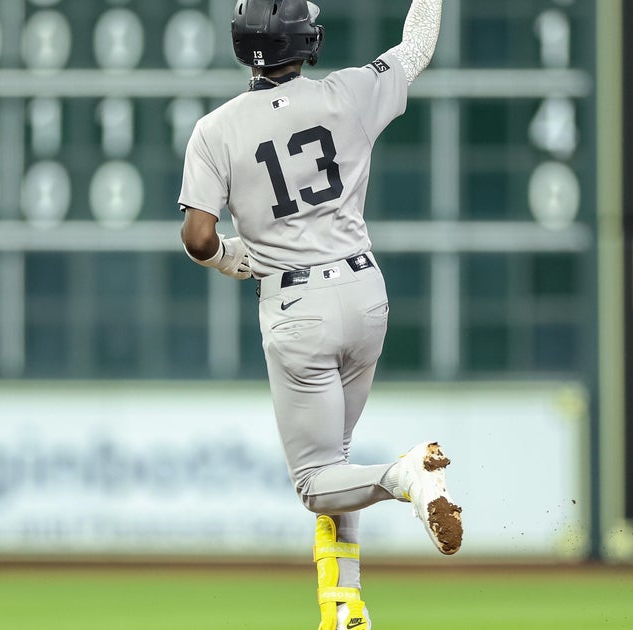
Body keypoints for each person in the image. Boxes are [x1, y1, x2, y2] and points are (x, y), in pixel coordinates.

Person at [177, 1, 459, 628]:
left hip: (296, 306)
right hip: (364, 291)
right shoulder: (349, 93)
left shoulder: (215, 130)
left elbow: (198, 237)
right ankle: (345, 607)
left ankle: (405, 476)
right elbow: (417, 47)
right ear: (308, 41)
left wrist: (232, 259)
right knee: (339, 463)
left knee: (316, 482)